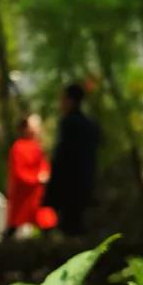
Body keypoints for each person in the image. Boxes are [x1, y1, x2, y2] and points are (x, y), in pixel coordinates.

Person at [46, 81, 100, 236]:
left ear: (70, 100)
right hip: (86, 185)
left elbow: (62, 158)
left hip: (68, 187)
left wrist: (52, 191)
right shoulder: (91, 124)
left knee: (69, 228)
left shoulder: (69, 123)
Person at [6, 114, 50, 237]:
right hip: (22, 194)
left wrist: (44, 175)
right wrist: (36, 178)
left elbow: (43, 165)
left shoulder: (37, 146)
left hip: (36, 194)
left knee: (44, 221)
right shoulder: (17, 147)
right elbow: (19, 172)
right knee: (14, 224)